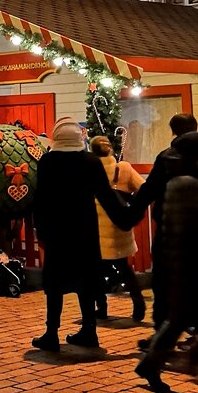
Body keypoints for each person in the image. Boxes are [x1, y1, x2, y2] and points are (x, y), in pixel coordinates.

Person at [31, 119, 134, 352]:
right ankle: (89, 330)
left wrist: (41, 228)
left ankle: (51, 333)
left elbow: (41, 198)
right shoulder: (90, 162)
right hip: (84, 230)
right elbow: (106, 196)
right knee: (86, 281)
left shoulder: (47, 162)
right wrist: (126, 218)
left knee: (55, 284)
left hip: (57, 231)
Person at [136, 131, 198, 393]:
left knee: (176, 320)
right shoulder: (189, 185)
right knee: (178, 319)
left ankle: (151, 364)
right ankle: (154, 363)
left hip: (178, 262)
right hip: (190, 263)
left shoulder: (176, 183)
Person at [128, 112, 198, 338]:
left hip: (171, 230)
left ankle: (161, 332)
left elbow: (150, 190)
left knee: (163, 280)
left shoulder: (168, 157)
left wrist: (129, 214)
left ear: (173, 131)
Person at [89, 136, 146, 322]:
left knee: (95, 270)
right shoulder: (124, 168)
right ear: (111, 150)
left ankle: (102, 307)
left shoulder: (89, 169)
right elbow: (143, 188)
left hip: (96, 228)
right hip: (119, 225)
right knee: (125, 268)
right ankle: (139, 306)